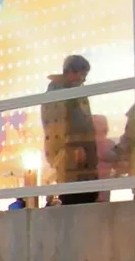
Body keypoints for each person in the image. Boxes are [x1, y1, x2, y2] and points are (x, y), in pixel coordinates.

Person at [42, 54, 99, 203]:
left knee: (88, 196)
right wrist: (73, 149)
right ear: (70, 72)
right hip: (72, 162)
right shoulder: (58, 93)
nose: (83, 79)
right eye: (82, 75)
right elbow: (56, 127)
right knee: (76, 198)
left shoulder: (76, 92)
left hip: (84, 160)